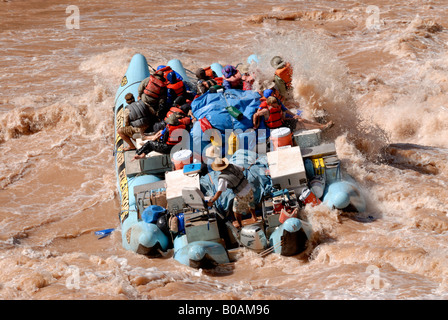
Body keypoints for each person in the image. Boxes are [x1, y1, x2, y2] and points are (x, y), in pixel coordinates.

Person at [207, 157, 258, 228]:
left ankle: (240, 225)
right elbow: (243, 169)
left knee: (236, 211)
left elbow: (219, 192)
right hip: (248, 187)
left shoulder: (223, 178)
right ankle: (254, 217)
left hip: (240, 193)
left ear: (219, 169)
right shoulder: (232, 165)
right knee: (251, 203)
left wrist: (212, 200)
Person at [253, 96, 333, 132]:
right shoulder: (266, 111)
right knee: (300, 124)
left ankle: (322, 125)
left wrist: (294, 115)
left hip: (282, 123)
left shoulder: (277, 106)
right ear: (270, 104)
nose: (277, 104)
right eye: (275, 103)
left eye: (276, 102)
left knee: (301, 119)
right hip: (277, 128)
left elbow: (287, 111)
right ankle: (322, 128)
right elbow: (256, 115)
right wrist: (255, 124)